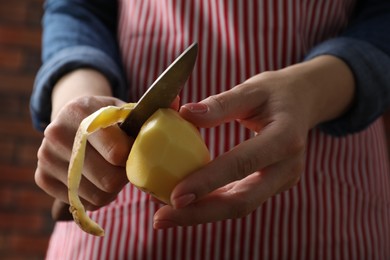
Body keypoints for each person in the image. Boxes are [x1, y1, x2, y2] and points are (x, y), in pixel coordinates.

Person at [31, 0, 390, 259]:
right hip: (124, 221)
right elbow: (78, 9)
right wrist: (82, 109)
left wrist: (314, 90)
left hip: (327, 208)